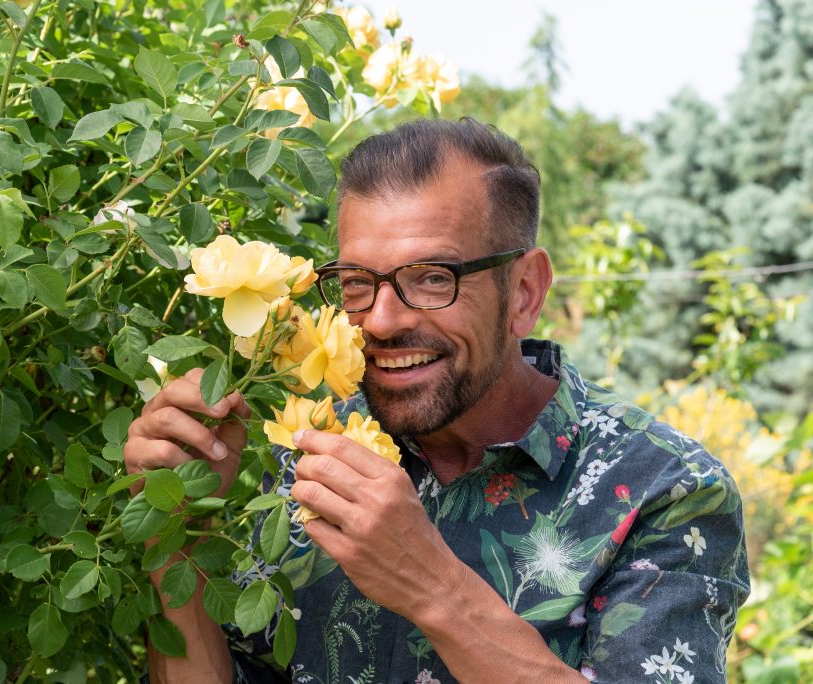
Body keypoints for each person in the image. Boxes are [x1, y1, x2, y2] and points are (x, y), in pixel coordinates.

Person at [123, 118, 749, 683]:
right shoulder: (293, 446)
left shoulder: (663, 490)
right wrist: (175, 535)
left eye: (432, 278)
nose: (383, 321)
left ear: (525, 291)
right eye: (357, 283)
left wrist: (432, 586)